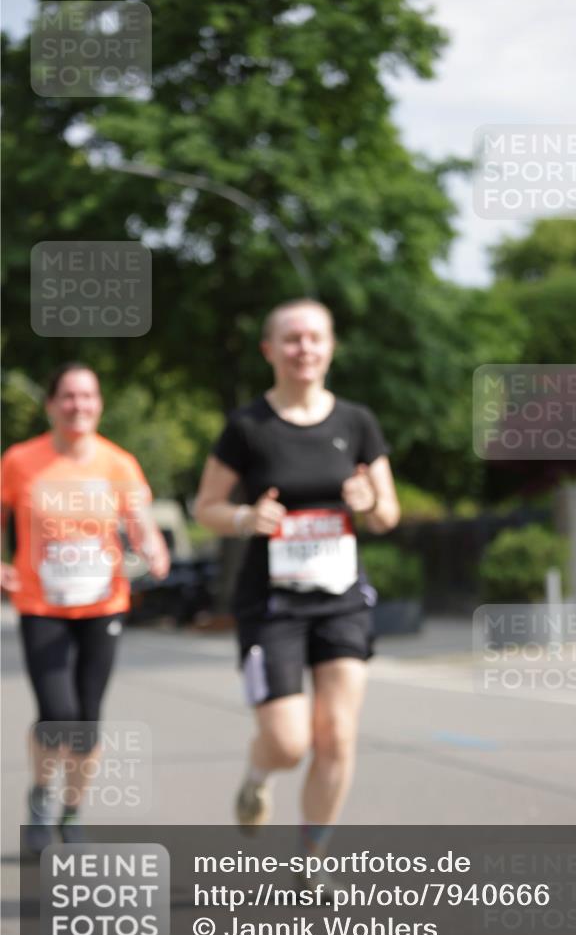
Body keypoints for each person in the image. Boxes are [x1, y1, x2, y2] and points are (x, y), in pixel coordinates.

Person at [194, 299, 400, 870]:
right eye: (291, 339)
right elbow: (205, 505)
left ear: (330, 346)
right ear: (270, 350)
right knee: (289, 743)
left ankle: (312, 858)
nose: (303, 348)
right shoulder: (247, 427)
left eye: (314, 338)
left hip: (341, 601)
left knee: (336, 735)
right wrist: (242, 519)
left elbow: (388, 516)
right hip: (272, 604)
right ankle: (258, 775)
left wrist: (370, 502)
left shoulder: (356, 423)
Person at [1, 363, 170, 852]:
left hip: (103, 604)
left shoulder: (119, 464)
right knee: (58, 712)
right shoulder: (20, 461)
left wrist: (154, 548)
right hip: (41, 603)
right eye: (69, 397)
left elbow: (140, 523)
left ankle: (71, 812)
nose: (79, 406)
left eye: (88, 396)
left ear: (99, 404)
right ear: (51, 404)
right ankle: (39, 796)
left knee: (86, 721)